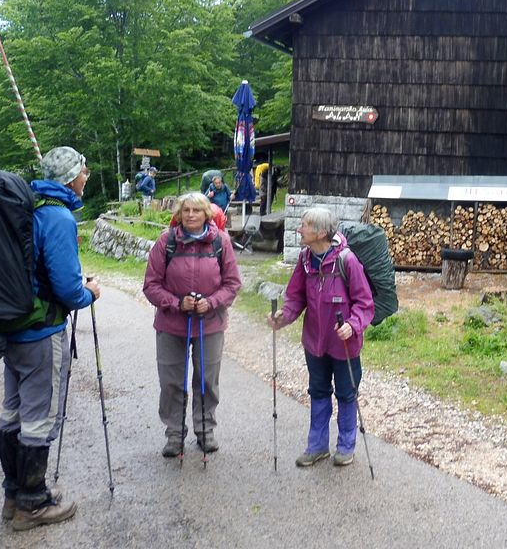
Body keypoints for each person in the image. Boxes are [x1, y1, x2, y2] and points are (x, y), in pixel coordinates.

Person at [0, 146, 100, 531]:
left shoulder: (30, 208)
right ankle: (32, 504)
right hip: (42, 332)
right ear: (70, 177)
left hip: (14, 327)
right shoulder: (58, 217)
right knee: (39, 417)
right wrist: (91, 292)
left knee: (13, 411)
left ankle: (13, 495)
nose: (86, 176)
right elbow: (68, 290)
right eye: (83, 170)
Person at [266, 208, 374, 467]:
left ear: (321, 232)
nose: (299, 230)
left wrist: (353, 324)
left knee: (347, 393)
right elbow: (295, 297)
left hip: (344, 344)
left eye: (304, 226)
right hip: (315, 342)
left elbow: (365, 303)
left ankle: (346, 446)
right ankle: (317, 446)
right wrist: (284, 316)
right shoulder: (305, 259)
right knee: (318, 390)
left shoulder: (347, 261)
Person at [143, 192, 242, 458]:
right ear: (179, 214)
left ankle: (205, 430)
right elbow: (151, 285)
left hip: (209, 324)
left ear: (206, 215)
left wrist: (210, 302)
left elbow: (232, 284)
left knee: (207, 381)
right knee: (171, 382)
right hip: (171, 324)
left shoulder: (221, 242)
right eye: (185, 210)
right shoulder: (167, 242)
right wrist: (177, 303)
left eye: (196, 210)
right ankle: (174, 434)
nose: (190, 215)